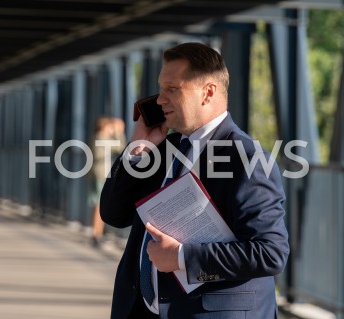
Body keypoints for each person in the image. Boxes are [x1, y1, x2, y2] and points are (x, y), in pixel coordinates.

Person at [100, 42, 289, 318]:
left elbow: (269, 252)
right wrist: (137, 149)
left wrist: (180, 258)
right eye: (161, 88)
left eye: (172, 89)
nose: (160, 99)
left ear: (208, 92)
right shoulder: (163, 147)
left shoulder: (248, 158)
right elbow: (113, 214)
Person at [87, 117, 126, 247]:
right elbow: (121, 148)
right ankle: (96, 234)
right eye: (110, 127)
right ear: (104, 128)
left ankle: (97, 233)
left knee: (97, 204)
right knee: (99, 205)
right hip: (101, 175)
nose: (112, 130)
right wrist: (119, 132)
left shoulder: (96, 137)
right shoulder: (102, 139)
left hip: (96, 174)